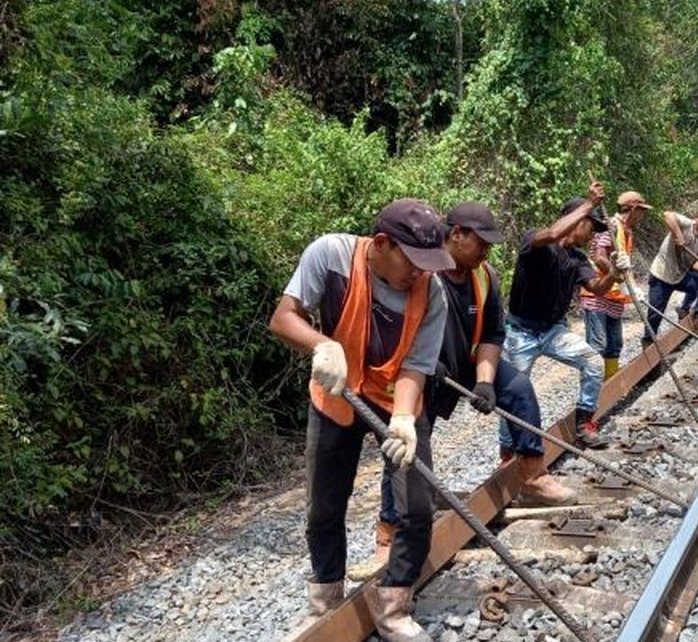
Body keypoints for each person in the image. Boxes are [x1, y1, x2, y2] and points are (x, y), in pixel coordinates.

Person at [349, 202, 577, 583]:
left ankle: (531, 475)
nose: (487, 252)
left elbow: (492, 333)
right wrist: (421, 361)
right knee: (405, 451)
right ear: (456, 235)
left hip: (465, 364)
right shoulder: (419, 271)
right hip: (419, 372)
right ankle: (388, 534)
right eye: (481, 243)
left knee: (518, 387)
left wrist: (486, 380)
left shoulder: (485, 276)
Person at [268, 199, 453, 642]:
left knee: (416, 507)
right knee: (324, 505)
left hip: (395, 400)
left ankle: (395, 606)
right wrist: (320, 345)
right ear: (383, 244)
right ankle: (325, 601)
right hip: (336, 395)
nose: (419, 273)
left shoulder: (432, 291)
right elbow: (283, 317)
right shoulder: (330, 256)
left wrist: (406, 417)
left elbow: (416, 365)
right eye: (412, 261)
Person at [503, 181, 627, 449]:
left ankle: (583, 423)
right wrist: (589, 205)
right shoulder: (537, 241)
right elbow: (549, 235)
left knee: (593, 362)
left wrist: (614, 275)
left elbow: (597, 288)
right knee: (513, 391)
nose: (593, 234)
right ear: (576, 220)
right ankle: (507, 450)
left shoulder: (578, 259)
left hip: (552, 331)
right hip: (520, 333)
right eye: (591, 226)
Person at [581, 190, 649, 381]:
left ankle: (610, 381)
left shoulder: (627, 231)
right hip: (597, 292)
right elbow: (598, 255)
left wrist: (633, 287)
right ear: (633, 209)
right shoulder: (611, 225)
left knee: (614, 344)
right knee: (597, 345)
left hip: (614, 296)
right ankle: (592, 386)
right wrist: (614, 272)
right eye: (641, 211)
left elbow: (624, 263)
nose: (642, 215)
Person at [642, 203, 698, 342]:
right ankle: (648, 341)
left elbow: (695, 264)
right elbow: (667, 215)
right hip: (662, 275)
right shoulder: (687, 225)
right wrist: (678, 235)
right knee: (655, 314)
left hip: (680, 275)